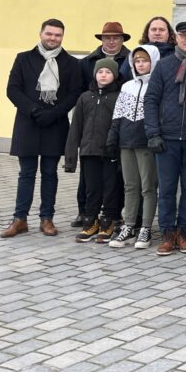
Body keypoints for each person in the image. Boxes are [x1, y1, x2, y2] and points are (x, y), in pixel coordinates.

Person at [1, 18, 83, 239]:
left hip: (55, 125)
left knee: (49, 173)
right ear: (41, 34)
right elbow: (13, 90)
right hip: (28, 123)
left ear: (62, 37)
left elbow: (75, 93)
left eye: (57, 35)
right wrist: (35, 111)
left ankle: (47, 218)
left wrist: (53, 114)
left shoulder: (71, 63)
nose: (53, 38)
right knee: (26, 173)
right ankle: (20, 219)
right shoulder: (23, 59)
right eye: (49, 34)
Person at [143, 20, 186, 256]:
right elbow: (151, 100)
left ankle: (183, 232)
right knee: (167, 189)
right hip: (167, 138)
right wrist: (153, 133)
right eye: (184, 36)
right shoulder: (164, 66)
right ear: (177, 37)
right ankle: (167, 233)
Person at [74, 21, 131, 228]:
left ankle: (113, 215)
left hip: (113, 126)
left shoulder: (129, 59)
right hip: (91, 129)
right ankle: (86, 213)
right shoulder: (89, 61)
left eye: (116, 37)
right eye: (108, 37)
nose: (112, 41)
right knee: (88, 179)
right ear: (102, 39)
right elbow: (82, 90)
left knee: (113, 180)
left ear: (122, 39)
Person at [107, 44, 161, 249]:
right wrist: (113, 137)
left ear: (153, 62)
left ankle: (146, 227)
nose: (141, 64)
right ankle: (128, 226)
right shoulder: (127, 86)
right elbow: (118, 113)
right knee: (130, 186)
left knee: (148, 187)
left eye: (145, 60)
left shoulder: (157, 85)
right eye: (137, 61)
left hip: (145, 142)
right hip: (126, 141)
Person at [66, 58, 122, 243]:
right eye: (100, 72)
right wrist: (71, 157)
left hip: (109, 152)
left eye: (107, 72)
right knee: (92, 188)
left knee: (110, 188)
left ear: (114, 75)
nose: (103, 75)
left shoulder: (118, 97)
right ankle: (91, 221)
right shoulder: (84, 97)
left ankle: (109, 222)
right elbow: (76, 127)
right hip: (89, 151)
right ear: (94, 74)